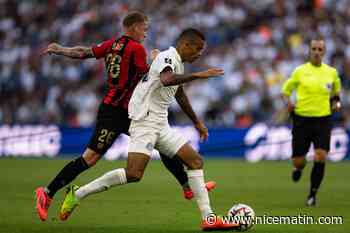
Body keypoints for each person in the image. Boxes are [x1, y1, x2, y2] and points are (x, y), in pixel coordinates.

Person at [35, 11, 215, 222]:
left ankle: (188, 186)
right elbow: (152, 77)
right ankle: (47, 192)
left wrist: (60, 49)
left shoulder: (112, 44)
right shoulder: (137, 49)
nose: (146, 34)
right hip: (116, 112)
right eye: (145, 29)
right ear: (135, 27)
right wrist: (157, 60)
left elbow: (83, 52)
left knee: (159, 141)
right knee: (90, 158)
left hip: (131, 110)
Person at [59, 28, 238, 231]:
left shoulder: (175, 61)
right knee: (134, 173)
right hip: (144, 121)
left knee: (195, 161)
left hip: (160, 123)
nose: (199, 54)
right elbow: (167, 80)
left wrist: (197, 122)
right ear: (185, 45)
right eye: (197, 49)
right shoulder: (168, 57)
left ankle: (209, 218)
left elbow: (179, 94)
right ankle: (78, 193)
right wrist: (198, 75)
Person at [281, 36, 341, 206]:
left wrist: (336, 104)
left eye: (320, 50)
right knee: (299, 160)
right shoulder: (299, 71)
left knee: (321, 155)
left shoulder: (332, 73)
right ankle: (298, 167)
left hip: (323, 120)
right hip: (302, 119)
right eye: (314, 49)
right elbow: (285, 92)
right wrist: (288, 103)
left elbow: (336, 96)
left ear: (324, 52)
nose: (316, 52)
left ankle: (312, 195)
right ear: (309, 50)